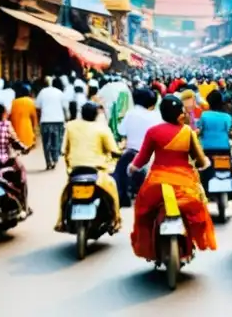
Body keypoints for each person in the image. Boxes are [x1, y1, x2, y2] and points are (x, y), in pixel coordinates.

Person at [128, 95, 217, 262]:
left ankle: (150, 247)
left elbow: (143, 158)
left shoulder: (153, 132)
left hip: (157, 183)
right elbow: (199, 158)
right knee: (197, 210)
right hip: (185, 184)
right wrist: (204, 164)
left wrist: (132, 167)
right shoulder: (187, 132)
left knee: (144, 212)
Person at [59, 102, 121, 231]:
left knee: (65, 194)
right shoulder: (103, 128)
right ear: (96, 115)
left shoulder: (70, 126)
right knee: (113, 188)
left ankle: (60, 221)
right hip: (97, 171)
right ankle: (116, 220)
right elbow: (114, 150)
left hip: (75, 170)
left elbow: (63, 150)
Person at [114, 88, 161, 204]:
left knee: (119, 172)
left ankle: (123, 195)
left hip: (131, 151)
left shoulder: (130, 113)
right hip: (150, 154)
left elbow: (121, 131)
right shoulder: (155, 116)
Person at [35, 78, 66, 170]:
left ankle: (48, 161)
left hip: (45, 121)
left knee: (46, 143)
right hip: (58, 120)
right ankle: (55, 160)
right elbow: (65, 107)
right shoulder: (60, 93)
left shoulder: (42, 92)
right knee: (56, 141)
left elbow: (37, 107)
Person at [10, 84, 38, 151]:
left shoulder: (13, 102)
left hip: (15, 136)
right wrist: (35, 132)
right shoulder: (29, 101)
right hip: (27, 136)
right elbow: (34, 118)